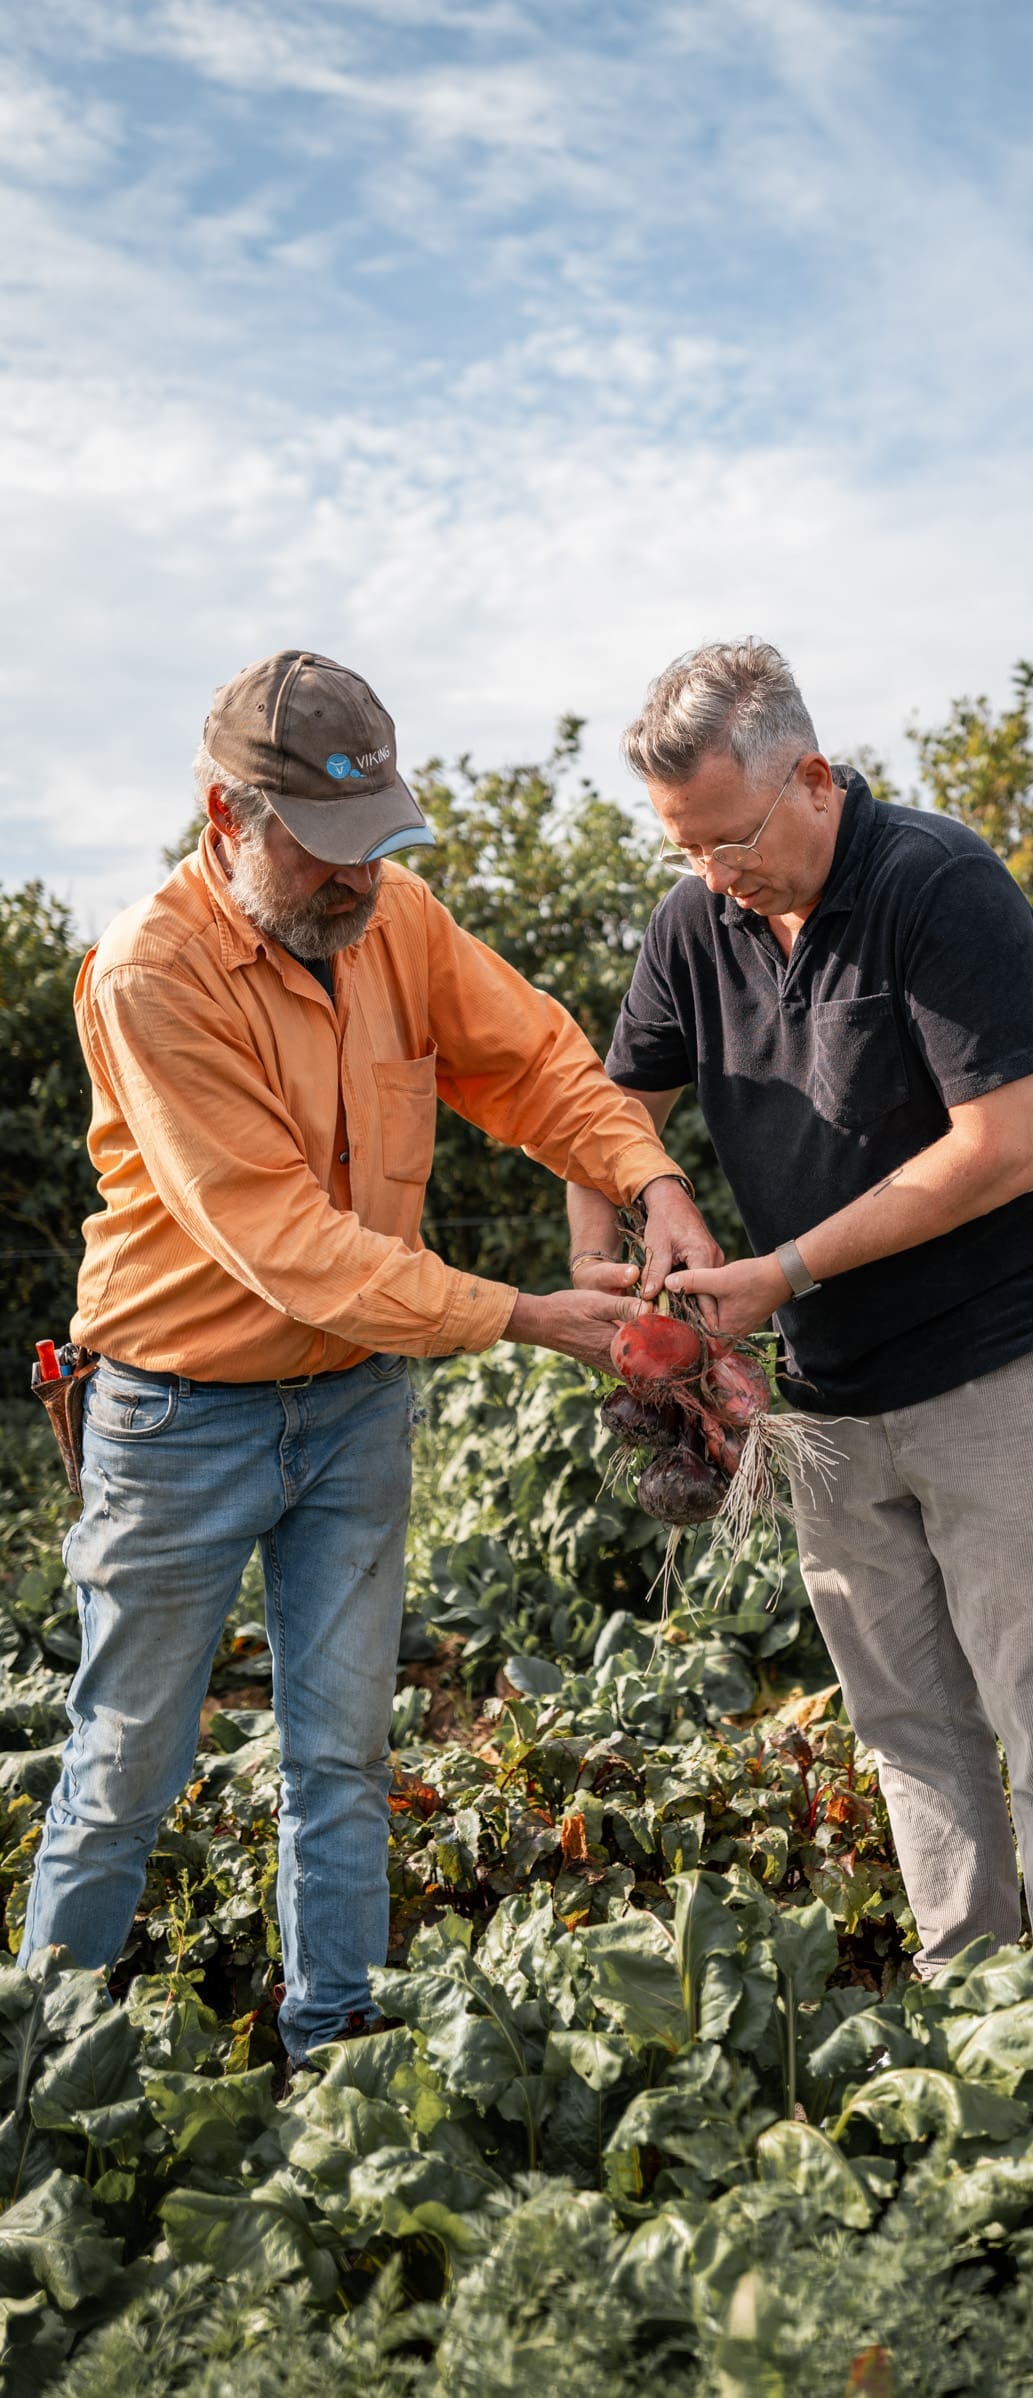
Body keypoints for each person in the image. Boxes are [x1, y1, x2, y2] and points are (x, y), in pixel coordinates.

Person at [25, 648, 714, 2063]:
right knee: (125, 1765)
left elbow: (533, 1062)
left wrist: (649, 1178)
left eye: (374, 841)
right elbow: (284, 1243)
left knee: (342, 1755)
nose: (356, 877)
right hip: (177, 1420)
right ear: (227, 816)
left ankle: (332, 2048)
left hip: (350, 1408)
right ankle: (36, 2063)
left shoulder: (391, 919)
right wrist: (524, 1314)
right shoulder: (153, 972)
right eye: (323, 847)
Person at [566, 640, 1033, 2003]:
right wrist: (618, 1234)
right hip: (828, 1400)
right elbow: (605, 1107)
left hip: (996, 1369)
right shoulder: (695, 922)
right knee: (908, 1729)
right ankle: (972, 2017)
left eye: (732, 838)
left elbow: (1002, 1149)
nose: (714, 874)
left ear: (813, 778)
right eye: (686, 846)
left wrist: (783, 1271)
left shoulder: (937, 886)